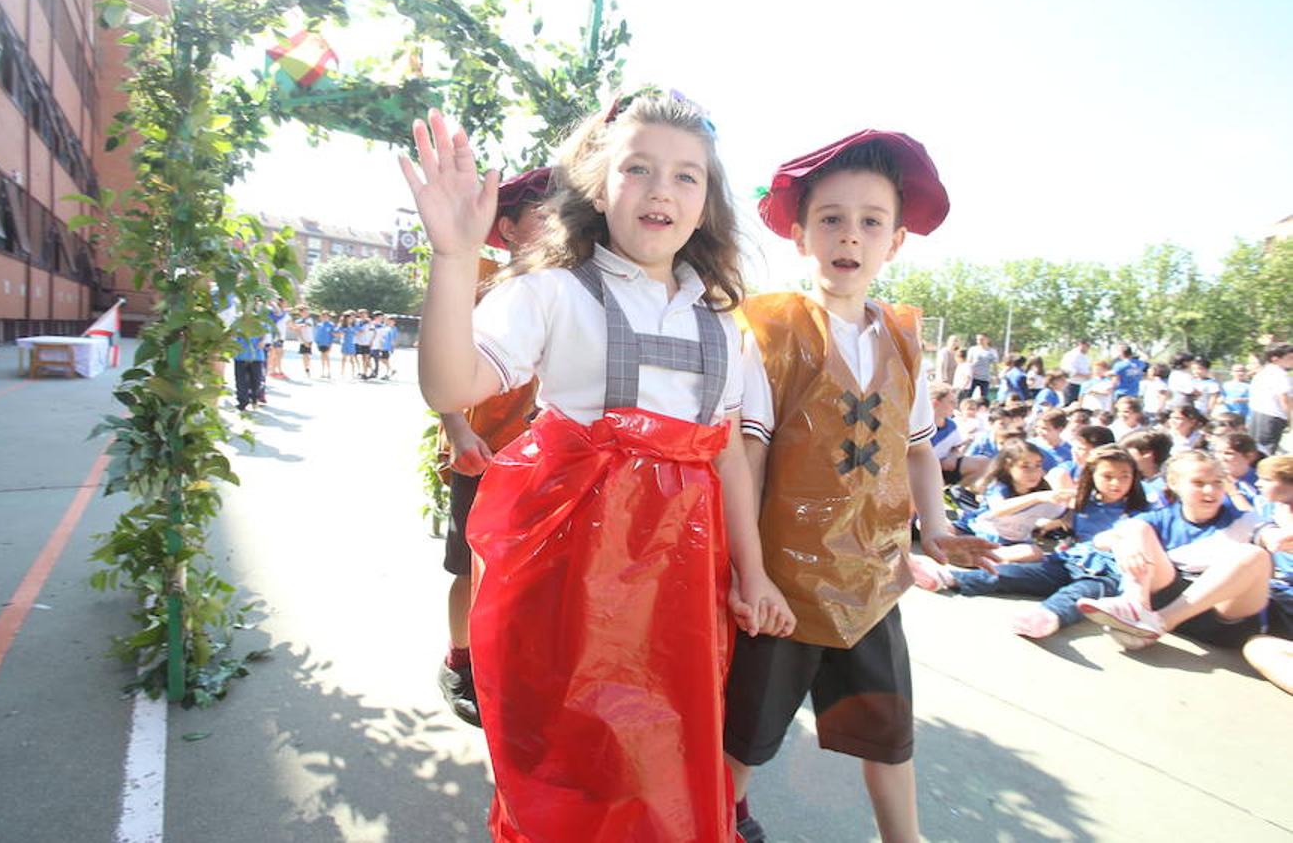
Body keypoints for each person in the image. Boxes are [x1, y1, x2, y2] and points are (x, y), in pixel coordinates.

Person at [402, 95, 793, 842]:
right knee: (565, 768)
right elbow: (451, 387)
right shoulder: (551, 292)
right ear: (596, 185)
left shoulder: (721, 320)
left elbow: (730, 464)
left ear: (707, 203)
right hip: (566, 588)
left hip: (683, 590)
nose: (661, 190)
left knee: (665, 768)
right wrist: (452, 257)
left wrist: (753, 572)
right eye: (637, 168)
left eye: (687, 176)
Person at [726, 129, 996, 843]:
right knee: (741, 741)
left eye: (870, 221)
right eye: (831, 219)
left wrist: (934, 529)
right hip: (783, 585)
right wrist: (750, 572)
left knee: (888, 734)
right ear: (801, 234)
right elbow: (746, 456)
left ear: (896, 241)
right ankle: (715, 824)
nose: (850, 235)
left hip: (873, 582)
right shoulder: (770, 330)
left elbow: (917, 452)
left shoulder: (904, 339)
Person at [435, 167, 550, 728]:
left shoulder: (571, 290)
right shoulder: (480, 280)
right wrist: (458, 432)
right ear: (507, 226)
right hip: (480, 452)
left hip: (543, 464)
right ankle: (460, 662)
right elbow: (443, 367)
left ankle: (509, 667)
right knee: (468, 567)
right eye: (542, 216)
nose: (557, 226)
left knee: (526, 577)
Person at [912, 445, 1151, 638]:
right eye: (1107, 476)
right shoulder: (1082, 503)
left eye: (1124, 476)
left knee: (1079, 593)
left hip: (1106, 571)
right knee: (1010, 573)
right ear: (1092, 476)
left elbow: (1135, 534)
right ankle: (946, 578)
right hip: (1067, 561)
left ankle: (1048, 616)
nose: (1116, 483)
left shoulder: (1140, 510)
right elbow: (1059, 520)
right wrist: (1047, 523)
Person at [1076, 450, 1271, 650]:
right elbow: (1101, 540)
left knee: (1254, 554)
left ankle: (1159, 623)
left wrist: (1279, 539)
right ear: (1174, 484)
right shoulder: (1161, 516)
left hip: (1224, 619)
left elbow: (1268, 534)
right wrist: (1122, 543)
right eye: (1198, 483)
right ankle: (1134, 605)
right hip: (1169, 598)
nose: (1210, 490)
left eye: (1218, 482)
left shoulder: (1245, 519)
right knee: (1134, 530)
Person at [1241, 454, 1293, 694]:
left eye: (1267, 479)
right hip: (1278, 593)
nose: (1259, 483)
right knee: (1258, 648)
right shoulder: (1268, 508)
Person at [1250, 343, 1293, 455]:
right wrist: (1290, 420)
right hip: (1272, 418)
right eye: (1290, 358)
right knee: (1266, 451)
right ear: (1275, 359)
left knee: (1256, 449)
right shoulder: (1280, 374)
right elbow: (1284, 399)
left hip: (1257, 415)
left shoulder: (1262, 373)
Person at [1121, 427, 1172, 507]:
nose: (1123, 458)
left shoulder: (1167, 485)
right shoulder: (1134, 482)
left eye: (1127, 453)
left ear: (1147, 454)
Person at [1214, 432, 1261, 511]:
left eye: (1228, 453)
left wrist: (1234, 492)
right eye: (1217, 452)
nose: (1220, 458)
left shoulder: (1261, 480)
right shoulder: (1212, 480)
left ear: (1250, 456)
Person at [967, 333, 998, 402]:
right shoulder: (973, 349)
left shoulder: (992, 351)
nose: (979, 341)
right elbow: (968, 363)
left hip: (985, 378)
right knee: (968, 395)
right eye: (978, 339)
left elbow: (994, 365)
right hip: (973, 377)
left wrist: (996, 376)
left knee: (984, 398)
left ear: (987, 340)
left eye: (981, 339)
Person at [1060, 340, 1092, 405]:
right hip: (1072, 384)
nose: (1088, 348)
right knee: (1070, 405)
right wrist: (1084, 375)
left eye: (1089, 346)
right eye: (1087, 346)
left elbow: (1088, 369)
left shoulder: (1086, 357)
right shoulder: (1071, 355)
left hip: (1083, 385)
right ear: (1081, 344)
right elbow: (1068, 370)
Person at [293, 304, 315, 377]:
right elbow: (297, 331)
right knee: (305, 355)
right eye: (304, 311)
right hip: (303, 340)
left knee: (307, 355)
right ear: (301, 312)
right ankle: (306, 370)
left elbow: (307, 325)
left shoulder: (309, 320)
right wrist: (303, 341)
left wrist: (297, 326)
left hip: (309, 340)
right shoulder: (298, 321)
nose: (306, 313)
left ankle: (308, 369)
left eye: (307, 311)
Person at [313, 310, 335, 379]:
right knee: (322, 357)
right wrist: (317, 342)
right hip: (320, 343)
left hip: (327, 343)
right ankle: (322, 372)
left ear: (328, 317)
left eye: (326, 316)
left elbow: (332, 335)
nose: (325, 318)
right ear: (321, 317)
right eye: (323, 316)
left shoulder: (331, 325)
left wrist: (331, 344)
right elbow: (317, 334)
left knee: (327, 357)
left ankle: (329, 372)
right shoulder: (319, 325)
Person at [336, 311, 358, 379]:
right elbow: (337, 333)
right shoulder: (342, 326)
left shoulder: (353, 326)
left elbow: (356, 333)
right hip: (345, 343)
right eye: (348, 318)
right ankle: (342, 373)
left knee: (352, 359)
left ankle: (353, 373)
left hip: (351, 344)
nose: (349, 320)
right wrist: (341, 333)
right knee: (344, 359)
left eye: (350, 318)